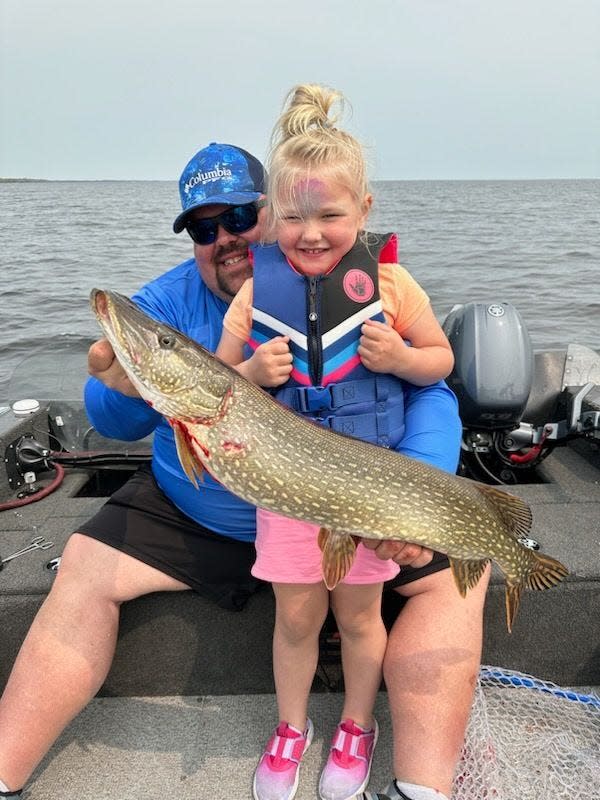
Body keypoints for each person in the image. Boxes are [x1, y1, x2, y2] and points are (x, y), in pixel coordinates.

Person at [0, 141, 486, 800]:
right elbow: (114, 418)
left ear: (275, 211)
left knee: (466, 570)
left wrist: (403, 504)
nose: (225, 238)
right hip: (205, 509)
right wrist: (119, 383)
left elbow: (430, 388)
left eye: (238, 217)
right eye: (204, 227)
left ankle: (421, 787)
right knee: (86, 562)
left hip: (350, 508)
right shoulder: (169, 302)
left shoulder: (361, 286)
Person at [215, 84, 483, 800]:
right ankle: (291, 728)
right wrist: (250, 372)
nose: (310, 233)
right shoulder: (252, 296)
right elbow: (215, 382)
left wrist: (402, 359)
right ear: (272, 219)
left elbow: (441, 362)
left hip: (369, 493)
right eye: (294, 216)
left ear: (362, 213)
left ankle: (357, 725)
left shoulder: (391, 286)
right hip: (288, 491)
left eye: (329, 214)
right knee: (296, 618)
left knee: (360, 618)